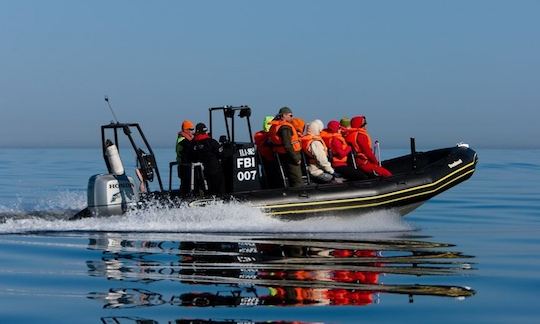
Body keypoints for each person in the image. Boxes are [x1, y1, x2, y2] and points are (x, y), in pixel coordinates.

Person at [268, 107, 303, 187]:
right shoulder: (285, 127)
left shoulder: (275, 126)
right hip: (290, 156)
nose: (292, 117)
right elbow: (287, 145)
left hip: (282, 154)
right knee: (296, 179)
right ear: (284, 115)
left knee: (290, 177)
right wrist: (296, 158)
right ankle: (299, 194)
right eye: (290, 115)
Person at [188, 122, 226, 195]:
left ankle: (209, 195)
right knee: (220, 185)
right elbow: (221, 153)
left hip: (203, 170)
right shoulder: (211, 142)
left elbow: (191, 155)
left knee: (209, 186)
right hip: (214, 168)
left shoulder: (193, 143)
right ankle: (222, 198)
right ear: (205, 131)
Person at [254, 116, 281, 188]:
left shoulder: (260, 135)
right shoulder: (260, 135)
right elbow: (266, 142)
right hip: (266, 160)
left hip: (274, 159)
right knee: (268, 175)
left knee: (273, 175)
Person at [175, 120, 194, 195]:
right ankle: (185, 198)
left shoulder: (185, 138)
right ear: (186, 129)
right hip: (184, 164)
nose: (192, 131)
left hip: (185, 164)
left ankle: (184, 195)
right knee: (186, 183)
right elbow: (189, 147)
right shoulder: (182, 139)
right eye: (190, 129)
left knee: (185, 183)